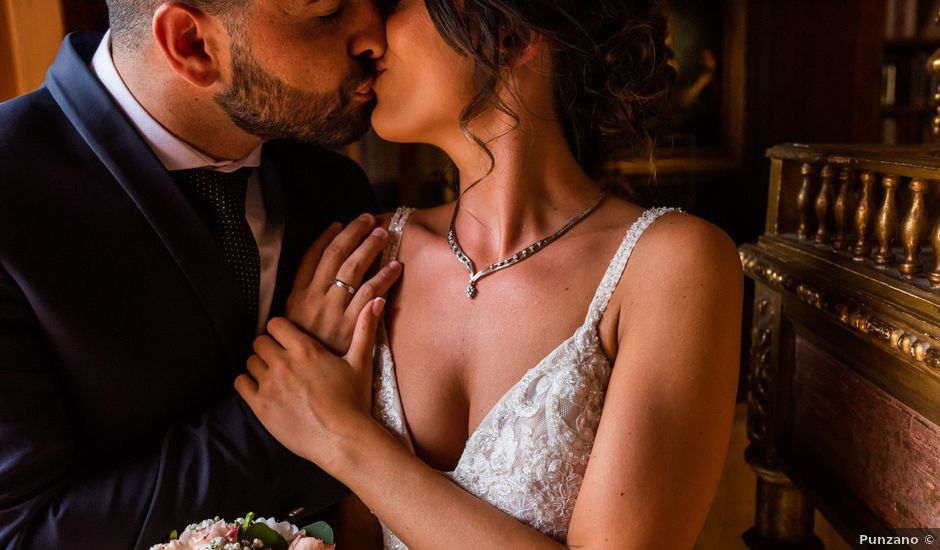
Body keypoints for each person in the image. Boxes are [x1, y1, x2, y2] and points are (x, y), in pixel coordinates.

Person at [237, 0, 744, 548]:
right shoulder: (362, 257)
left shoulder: (672, 263)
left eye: (399, 1)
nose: (371, 40)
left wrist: (342, 437)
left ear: (512, 33)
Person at [0, 0, 403, 547]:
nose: (373, 35)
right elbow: (26, 534)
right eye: (327, 12)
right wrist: (295, 407)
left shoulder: (336, 189)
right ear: (190, 42)